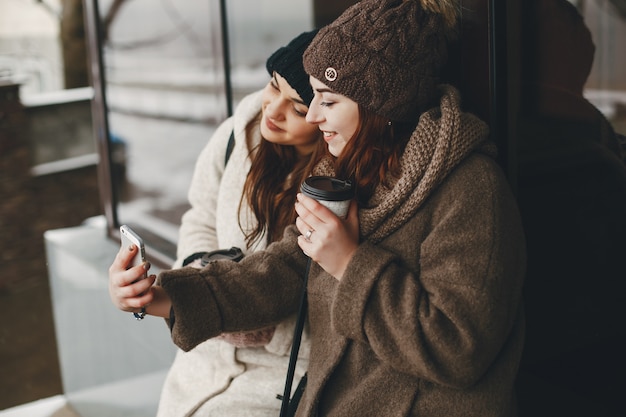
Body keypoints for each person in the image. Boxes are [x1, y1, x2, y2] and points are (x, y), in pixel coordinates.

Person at [109, 1, 527, 415]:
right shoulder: (348, 171)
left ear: (382, 107)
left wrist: (350, 262)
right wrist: (160, 297)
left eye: (328, 101)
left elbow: (459, 349)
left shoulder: (473, 191)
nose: (313, 117)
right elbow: (281, 270)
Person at [132, 30, 322, 417]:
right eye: (273, 87)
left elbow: (288, 274)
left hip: (285, 366)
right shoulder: (240, 133)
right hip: (208, 346)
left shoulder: (334, 183)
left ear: (327, 114)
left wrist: (181, 297)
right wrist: (199, 268)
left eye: (298, 109)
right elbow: (200, 213)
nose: (273, 110)